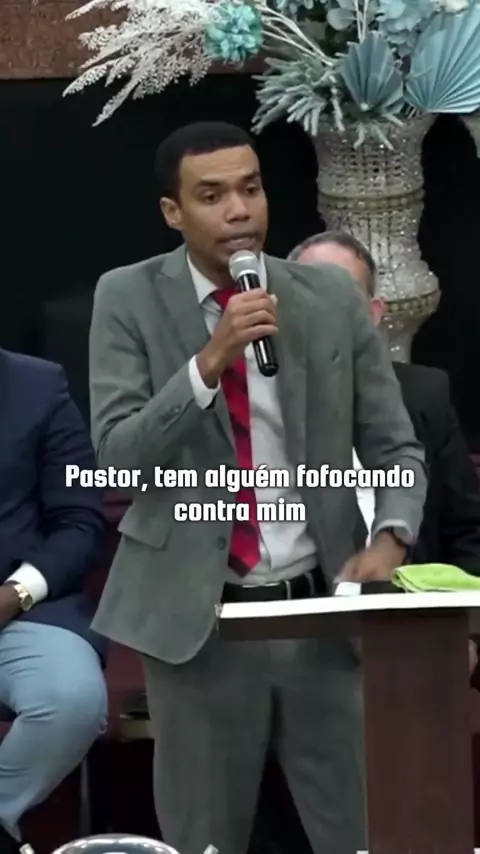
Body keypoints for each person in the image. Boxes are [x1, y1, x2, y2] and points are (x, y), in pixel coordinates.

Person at [88, 121, 427, 854]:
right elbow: (117, 458)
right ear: (173, 211)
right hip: (198, 623)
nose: (239, 210)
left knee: (361, 834)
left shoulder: (328, 298)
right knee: (206, 839)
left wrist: (391, 539)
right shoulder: (126, 297)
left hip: (321, 615)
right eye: (212, 196)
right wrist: (207, 365)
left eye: (251, 188)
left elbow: (396, 446)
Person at [289, 230, 480, 672]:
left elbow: (468, 531)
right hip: (300, 632)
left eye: (342, 298)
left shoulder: (424, 396)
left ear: (373, 314)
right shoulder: (260, 406)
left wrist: (467, 634)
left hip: (410, 631)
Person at [0, 348, 107, 854]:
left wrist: (14, 594)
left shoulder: (36, 387)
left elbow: (78, 523)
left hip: (20, 610)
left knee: (70, 698)